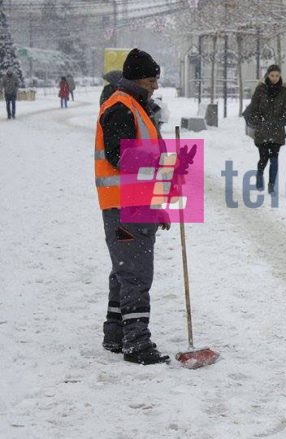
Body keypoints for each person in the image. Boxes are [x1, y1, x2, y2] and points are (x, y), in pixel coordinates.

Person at [95, 48, 177, 365]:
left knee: (124, 270)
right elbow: (121, 158)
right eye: (151, 80)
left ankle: (115, 334)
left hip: (136, 204)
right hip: (125, 207)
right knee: (136, 274)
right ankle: (137, 343)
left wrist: (158, 206)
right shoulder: (120, 109)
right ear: (138, 79)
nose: (155, 86)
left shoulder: (136, 107)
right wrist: (162, 162)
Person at [242, 64, 286, 193]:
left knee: (274, 158)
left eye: (277, 75)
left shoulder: (284, 91)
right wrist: (260, 122)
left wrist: (280, 122)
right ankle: (259, 177)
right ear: (268, 75)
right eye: (272, 75)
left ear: (280, 76)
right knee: (264, 157)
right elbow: (253, 109)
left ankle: (271, 185)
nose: (274, 78)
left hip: (277, 131)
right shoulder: (260, 90)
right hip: (262, 130)